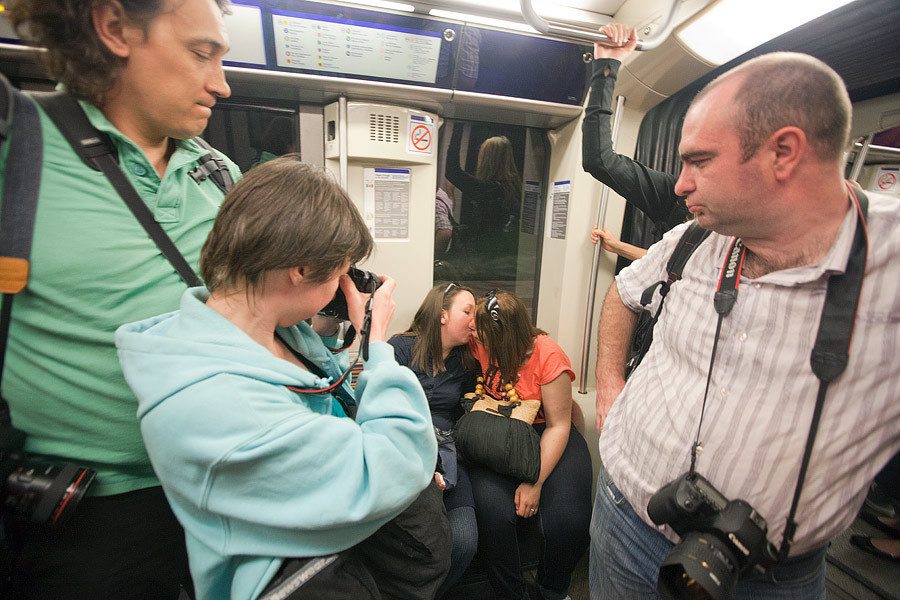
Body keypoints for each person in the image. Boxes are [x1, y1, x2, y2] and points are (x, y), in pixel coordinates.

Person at [591, 51, 900, 599]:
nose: (680, 185)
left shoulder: (890, 267)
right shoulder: (692, 239)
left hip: (763, 579)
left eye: (699, 161)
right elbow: (624, 293)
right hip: (623, 520)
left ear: (784, 152)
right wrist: (610, 387)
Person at [116, 157, 447, 600]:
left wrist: (326, 331)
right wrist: (376, 343)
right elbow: (395, 464)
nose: (340, 286)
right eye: (339, 272)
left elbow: (325, 403)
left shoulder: (274, 333)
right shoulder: (211, 403)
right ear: (301, 270)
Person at [0, 1, 238, 597]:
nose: (221, 84)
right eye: (201, 53)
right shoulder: (18, 145)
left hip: (220, 491)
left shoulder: (221, 175)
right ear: (114, 28)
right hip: (83, 515)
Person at [469, 290, 592, 600]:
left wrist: (533, 482)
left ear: (505, 338)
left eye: (481, 334)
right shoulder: (480, 342)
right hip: (499, 434)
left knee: (569, 520)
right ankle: (510, 593)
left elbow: (559, 425)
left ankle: (553, 588)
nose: (475, 336)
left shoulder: (548, 355)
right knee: (495, 513)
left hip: (545, 433)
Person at [389, 282, 480, 596]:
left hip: (448, 453)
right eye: (467, 312)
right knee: (416, 539)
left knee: (464, 541)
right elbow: (383, 407)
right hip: (405, 451)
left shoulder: (466, 362)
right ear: (443, 315)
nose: (474, 321)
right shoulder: (400, 349)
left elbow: (467, 410)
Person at [582, 22, 689, 247]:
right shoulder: (679, 197)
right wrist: (606, 67)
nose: (686, 181)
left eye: (704, 161)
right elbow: (600, 160)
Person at [445, 125, 522, 281]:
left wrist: (457, 129)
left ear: (487, 160)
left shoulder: (489, 189)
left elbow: (452, 171)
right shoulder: (512, 187)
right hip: (504, 263)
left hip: (483, 266)